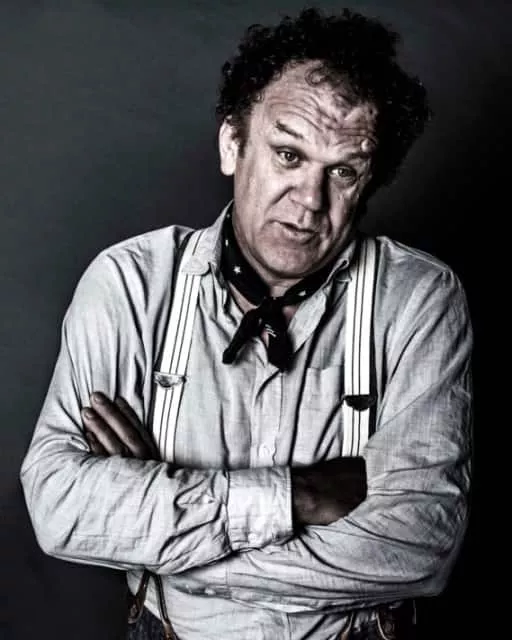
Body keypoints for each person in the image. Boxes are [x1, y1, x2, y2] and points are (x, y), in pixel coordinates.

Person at [20, 7, 473, 640]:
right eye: (288, 154)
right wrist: (297, 496)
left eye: (342, 172)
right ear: (232, 144)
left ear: (370, 182)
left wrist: (166, 533)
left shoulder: (418, 298)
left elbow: (419, 543)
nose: (309, 201)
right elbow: (60, 505)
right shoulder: (130, 283)